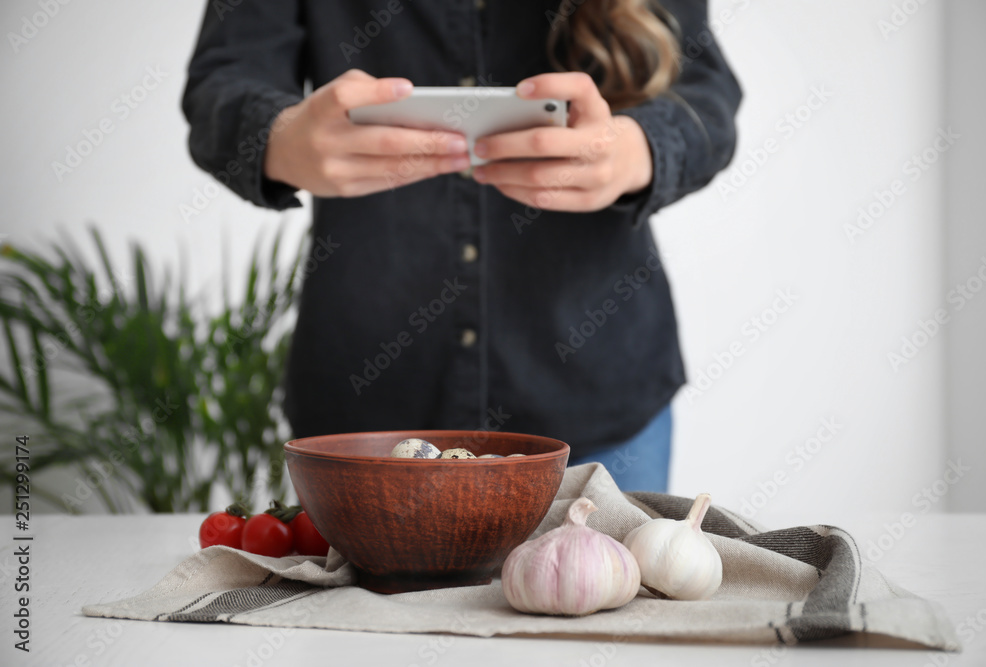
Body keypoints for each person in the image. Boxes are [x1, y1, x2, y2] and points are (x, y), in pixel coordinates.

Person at [182, 0, 741, 492]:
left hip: (602, 401)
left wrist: (635, 148)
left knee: (612, 606)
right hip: (367, 417)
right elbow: (222, 79)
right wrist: (279, 140)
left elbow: (706, 91)